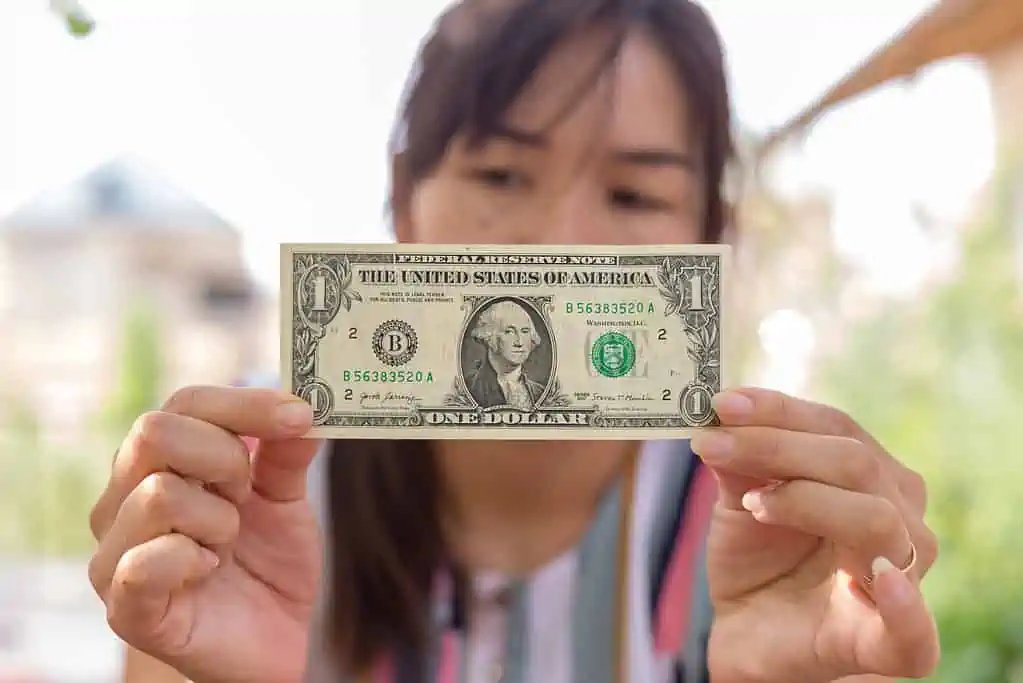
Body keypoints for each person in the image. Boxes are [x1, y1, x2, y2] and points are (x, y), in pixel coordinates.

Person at [86, 1, 941, 682]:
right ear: (406, 202)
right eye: (501, 174)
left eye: (634, 195)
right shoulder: (250, 503)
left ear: (708, 237)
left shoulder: (772, 535)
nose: (557, 243)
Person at [465, 298, 548, 410]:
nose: (519, 342)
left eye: (525, 331)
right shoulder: (469, 389)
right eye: (509, 332)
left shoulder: (541, 393)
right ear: (489, 336)